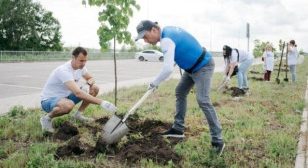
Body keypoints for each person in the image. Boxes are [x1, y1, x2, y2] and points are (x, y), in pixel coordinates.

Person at [135, 20, 225, 155]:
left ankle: (218, 140)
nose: (146, 41)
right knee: (180, 91)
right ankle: (178, 129)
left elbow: (167, 69)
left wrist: (154, 83)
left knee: (203, 100)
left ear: (154, 30)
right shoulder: (168, 32)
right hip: (191, 68)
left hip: (203, 66)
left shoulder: (166, 39)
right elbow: (178, 54)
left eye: (145, 36)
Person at [40, 47, 116, 132]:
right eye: (81, 61)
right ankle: (46, 118)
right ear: (73, 58)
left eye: (85, 61)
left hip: (66, 96)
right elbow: (77, 93)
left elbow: (91, 78)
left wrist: (88, 84)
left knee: (94, 88)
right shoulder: (64, 70)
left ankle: (78, 115)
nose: (83, 64)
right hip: (49, 101)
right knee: (69, 105)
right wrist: (102, 103)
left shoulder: (81, 67)